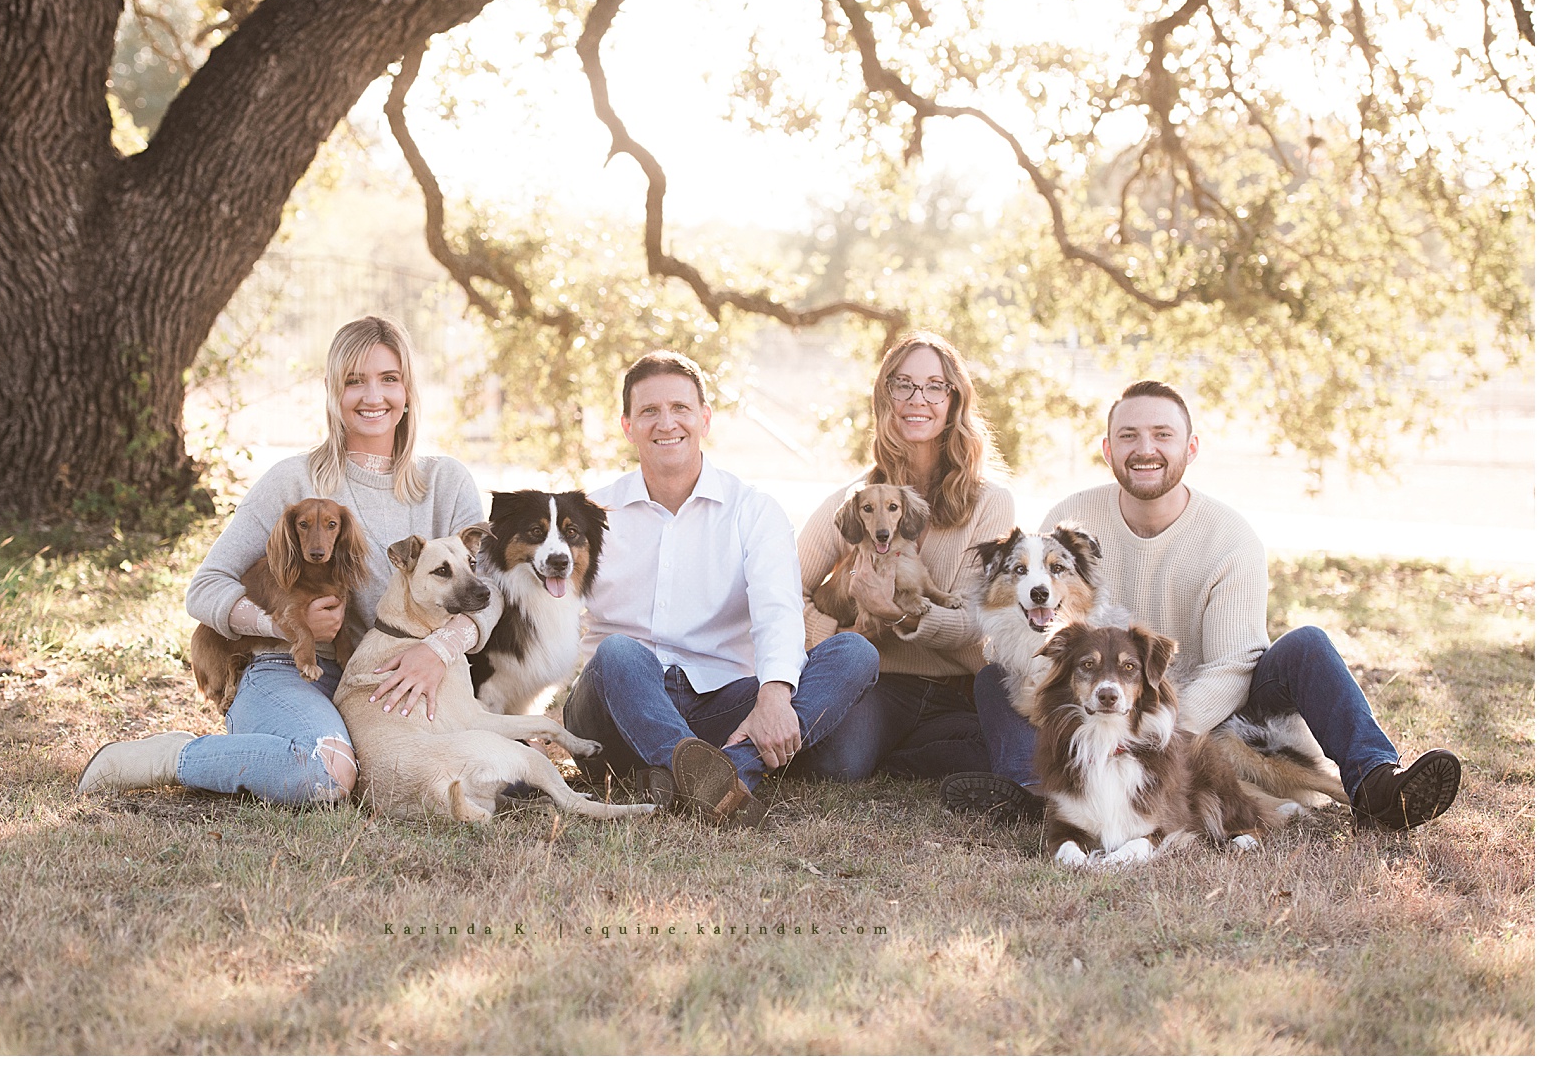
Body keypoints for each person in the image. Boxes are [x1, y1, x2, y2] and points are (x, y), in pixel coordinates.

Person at [942, 379, 1461, 831]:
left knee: (1307, 644)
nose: (1145, 448)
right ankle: (1038, 795)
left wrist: (1165, 726)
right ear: (1107, 449)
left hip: (1215, 707)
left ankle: (1377, 785)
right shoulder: (1071, 517)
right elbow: (1037, 623)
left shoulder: (1229, 536)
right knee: (994, 679)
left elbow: (1236, 663)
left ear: (1190, 448)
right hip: (1107, 699)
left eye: (1162, 435)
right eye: (1129, 436)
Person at [77, 315, 498, 804]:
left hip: (393, 680)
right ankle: (171, 757)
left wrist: (439, 650)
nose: (373, 396)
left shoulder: (446, 482)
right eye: (354, 381)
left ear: (408, 392)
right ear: (333, 393)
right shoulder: (292, 481)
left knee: (481, 779)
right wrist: (284, 625)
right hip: (292, 669)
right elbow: (206, 587)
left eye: (389, 379)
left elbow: (491, 596)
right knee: (322, 775)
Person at [561, 350, 880, 826]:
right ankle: (721, 775)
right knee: (619, 653)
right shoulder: (591, 516)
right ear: (627, 426)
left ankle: (709, 776)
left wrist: (773, 695)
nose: (666, 422)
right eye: (649, 411)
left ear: (704, 419)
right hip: (616, 710)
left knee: (854, 653)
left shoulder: (753, 510)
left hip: (723, 708)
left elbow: (778, 610)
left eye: (680, 408)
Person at [790, 330, 1016, 781]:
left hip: (961, 688)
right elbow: (780, 590)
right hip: (881, 684)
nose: (919, 398)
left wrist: (897, 615)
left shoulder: (992, 502)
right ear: (885, 398)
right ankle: (896, 750)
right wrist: (843, 633)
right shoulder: (857, 501)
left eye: (935, 386)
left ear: (954, 401)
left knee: (1010, 753)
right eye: (903, 385)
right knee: (836, 765)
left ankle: (909, 755)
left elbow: (978, 616)